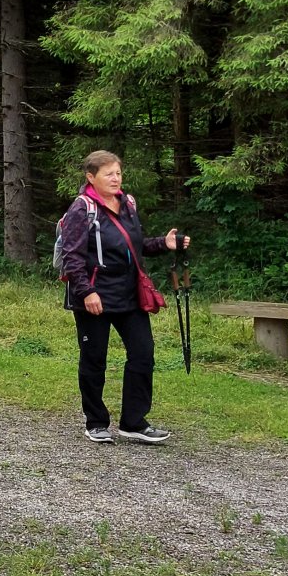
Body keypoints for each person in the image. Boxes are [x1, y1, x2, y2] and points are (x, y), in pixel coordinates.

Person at [58, 149, 190, 444]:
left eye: (118, 173)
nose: (115, 178)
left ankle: (134, 422)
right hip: (93, 295)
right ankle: (96, 422)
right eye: (109, 174)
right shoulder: (82, 208)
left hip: (129, 294)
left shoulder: (128, 203)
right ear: (91, 177)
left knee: (143, 354)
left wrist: (164, 243)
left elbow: (135, 245)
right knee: (94, 359)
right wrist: (87, 291)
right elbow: (72, 256)